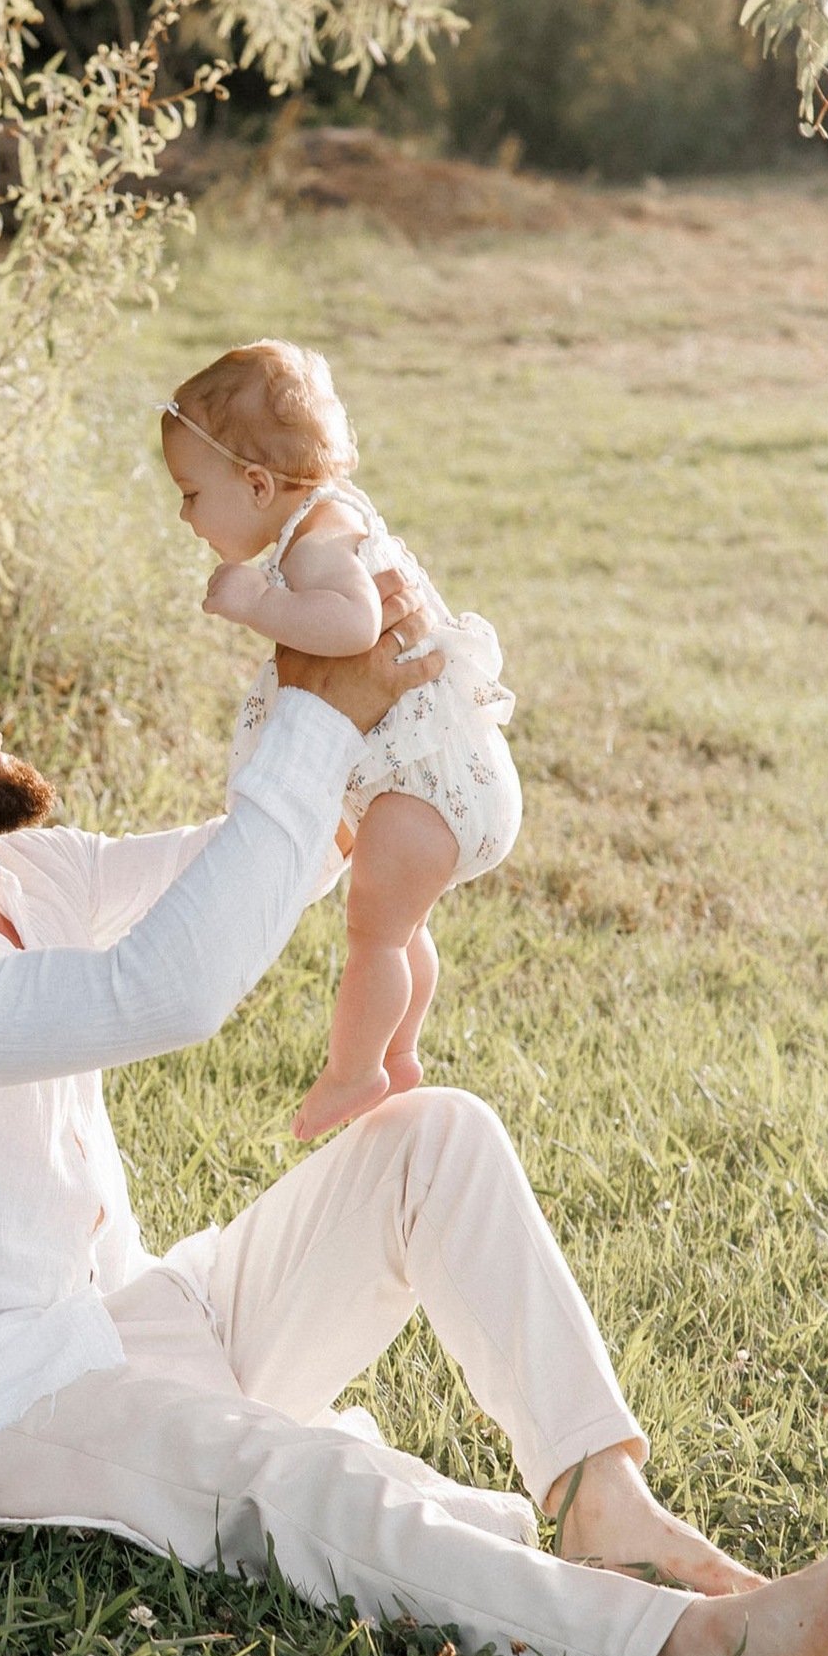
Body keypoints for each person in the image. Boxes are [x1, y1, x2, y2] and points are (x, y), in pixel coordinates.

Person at [0, 600, 828, 1656]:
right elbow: (167, 991)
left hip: (143, 1312)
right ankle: (690, 1648)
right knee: (294, 1482)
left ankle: (598, 1489)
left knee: (433, 1135)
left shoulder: (16, 872)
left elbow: (246, 865)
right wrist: (312, 714)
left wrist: (380, 720)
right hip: (2, 1403)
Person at [163, 337, 520, 1141]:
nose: (184, 513)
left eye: (191, 492)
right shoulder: (328, 516)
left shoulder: (319, 535)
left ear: (257, 484)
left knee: (373, 931)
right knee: (400, 928)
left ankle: (353, 1071)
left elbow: (354, 622)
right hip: (434, 782)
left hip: (428, 787)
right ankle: (397, 1054)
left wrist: (257, 602)